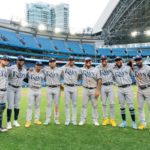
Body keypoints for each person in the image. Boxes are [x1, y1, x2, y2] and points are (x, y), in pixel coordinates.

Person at [112, 57, 137, 129]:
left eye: (119, 60)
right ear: (115, 62)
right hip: (120, 88)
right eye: (116, 60)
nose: (118, 61)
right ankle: (124, 122)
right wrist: (115, 83)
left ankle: (133, 122)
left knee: (131, 106)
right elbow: (113, 78)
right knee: (122, 106)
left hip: (128, 87)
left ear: (121, 61)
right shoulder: (114, 69)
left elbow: (133, 74)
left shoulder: (127, 67)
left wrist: (132, 66)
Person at [79, 57, 100, 126]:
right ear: (84, 62)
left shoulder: (96, 69)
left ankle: (95, 120)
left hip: (93, 89)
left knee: (95, 105)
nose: (87, 62)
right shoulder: (82, 69)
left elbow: (99, 80)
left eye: (89, 61)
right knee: (84, 105)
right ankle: (82, 120)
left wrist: (98, 90)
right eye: (86, 61)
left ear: (91, 61)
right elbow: (78, 77)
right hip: (85, 89)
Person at [96, 56, 116, 127]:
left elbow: (119, 64)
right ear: (101, 60)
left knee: (112, 103)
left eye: (105, 59)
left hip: (110, 85)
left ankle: (112, 119)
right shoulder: (98, 67)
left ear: (107, 60)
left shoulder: (111, 66)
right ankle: (105, 119)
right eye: (102, 59)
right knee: (104, 103)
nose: (103, 60)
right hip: (103, 86)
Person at [7, 56, 26, 129]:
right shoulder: (11, 68)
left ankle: (15, 121)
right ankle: (8, 122)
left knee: (17, 105)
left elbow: (24, 78)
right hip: (11, 87)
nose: (21, 61)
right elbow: (6, 76)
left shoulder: (24, 70)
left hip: (19, 88)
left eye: (22, 60)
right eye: (20, 60)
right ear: (17, 61)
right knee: (10, 105)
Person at [25, 61, 45, 128]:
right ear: (35, 65)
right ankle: (28, 121)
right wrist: (28, 70)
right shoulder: (30, 71)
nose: (39, 66)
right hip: (31, 89)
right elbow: (25, 78)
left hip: (39, 89)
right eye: (37, 65)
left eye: (40, 65)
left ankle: (36, 120)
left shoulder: (43, 73)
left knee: (38, 105)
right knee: (30, 106)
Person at [43, 58, 62, 125]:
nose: (52, 63)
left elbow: (65, 76)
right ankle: (47, 119)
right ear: (49, 63)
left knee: (56, 104)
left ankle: (56, 119)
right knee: (48, 104)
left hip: (57, 88)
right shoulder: (45, 69)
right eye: (51, 62)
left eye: (53, 62)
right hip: (49, 87)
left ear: (55, 63)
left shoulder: (59, 70)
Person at [134, 56, 150, 130]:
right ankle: (143, 123)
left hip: (148, 88)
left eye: (139, 60)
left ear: (142, 60)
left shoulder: (148, 68)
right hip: (140, 89)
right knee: (140, 107)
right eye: (136, 60)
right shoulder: (135, 68)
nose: (137, 61)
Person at [0, 55, 10, 132]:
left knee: (2, 109)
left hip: (5, 91)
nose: (6, 61)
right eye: (4, 60)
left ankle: (0, 127)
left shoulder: (7, 69)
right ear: (1, 60)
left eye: (7, 60)